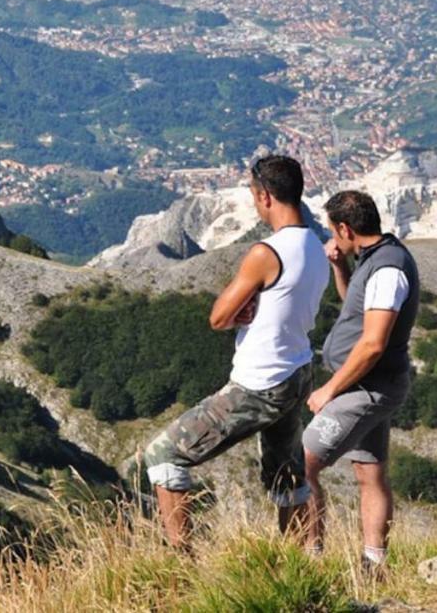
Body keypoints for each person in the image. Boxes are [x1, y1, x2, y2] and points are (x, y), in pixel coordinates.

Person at [141, 155, 329, 550]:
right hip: (297, 373)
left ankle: (180, 565)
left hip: (259, 382)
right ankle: (296, 566)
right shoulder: (315, 245)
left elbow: (219, 317)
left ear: (265, 197)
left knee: (164, 454)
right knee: (286, 477)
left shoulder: (267, 253)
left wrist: (244, 306)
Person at [303, 190, 419, 573]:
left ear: (345, 228)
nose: (332, 241)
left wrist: (329, 389)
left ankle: (309, 558)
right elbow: (355, 306)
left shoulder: (388, 269)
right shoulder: (374, 259)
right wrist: (340, 268)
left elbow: (372, 344)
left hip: (368, 388)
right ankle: (374, 567)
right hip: (367, 384)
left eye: (334, 233)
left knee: (300, 466)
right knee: (369, 473)